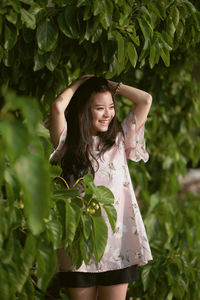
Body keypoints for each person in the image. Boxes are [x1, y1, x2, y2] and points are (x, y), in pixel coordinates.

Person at [49, 75, 153, 300]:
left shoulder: (119, 139)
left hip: (118, 244)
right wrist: (80, 83)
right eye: (99, 108)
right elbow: (58, 107)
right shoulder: (67, 144)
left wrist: (109, 85)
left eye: (111, 107)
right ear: (84, 110)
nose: (108, 114)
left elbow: (145, 100)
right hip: (79, 242)